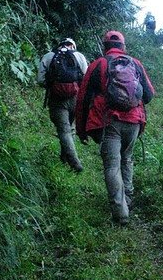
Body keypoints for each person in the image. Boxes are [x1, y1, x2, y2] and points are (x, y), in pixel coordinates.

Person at [75, 30, 155, 225]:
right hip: (135, 121)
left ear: (105, 47)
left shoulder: (98, 65)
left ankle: (120, 214)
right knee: (126, 159)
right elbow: (149, 95)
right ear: (123, 47)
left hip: (110, 122)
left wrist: (81, 129)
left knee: (112, 165)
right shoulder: (135, 63)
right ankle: (127, 198)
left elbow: (83, 99)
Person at [38, 38, 88, 173]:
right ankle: (65, 158)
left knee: (64, 130)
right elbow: (86, 78)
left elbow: (41, 80)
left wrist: (53, 85)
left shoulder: (49, 56)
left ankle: (75, 163)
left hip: (57, 99)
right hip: (75, 98)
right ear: (73, 46)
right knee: (70, 128)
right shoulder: (79, 56)